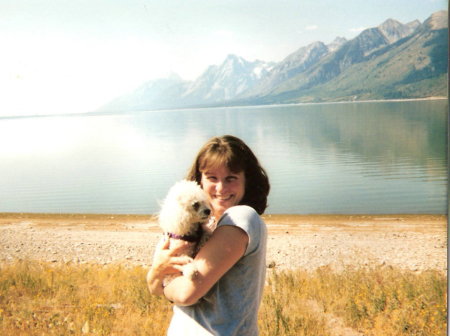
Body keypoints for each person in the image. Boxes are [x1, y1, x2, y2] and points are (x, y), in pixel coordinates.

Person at [147, 135, 270, 336]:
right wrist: (157, 272)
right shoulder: (205, 226)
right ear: (200, 182)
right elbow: (155, 286)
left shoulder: (241, 218)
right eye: (212, 178)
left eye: (231, 178)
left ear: (247, 180)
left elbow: (187, 294)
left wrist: (162, 280)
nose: (221, 188)